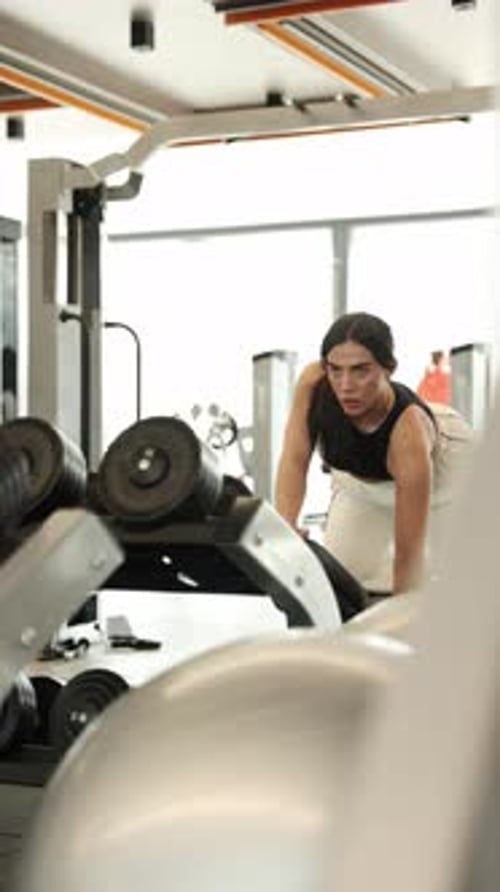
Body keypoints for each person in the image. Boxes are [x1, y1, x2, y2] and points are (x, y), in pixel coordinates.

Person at [274, 312, 473, 596]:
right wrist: (286, 526)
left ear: (389, 369)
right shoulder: (314, 382)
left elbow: (408, 559)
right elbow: (295, 458)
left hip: (445, 473)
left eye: (360, 370)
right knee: (342, 586)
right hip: (361, 479)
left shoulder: (408, 436)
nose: (345, 385)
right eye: (336, 370)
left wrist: (402, 617)